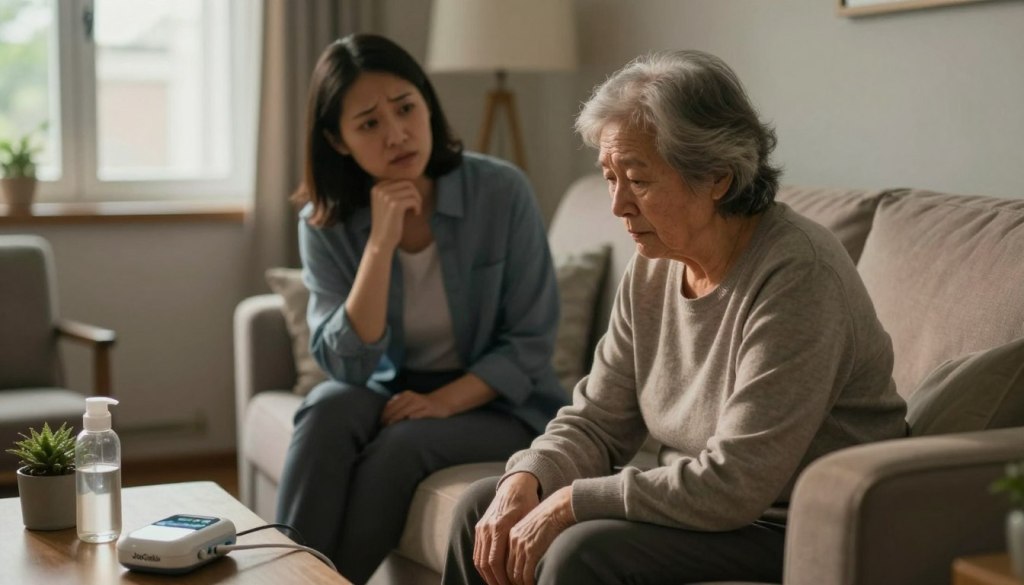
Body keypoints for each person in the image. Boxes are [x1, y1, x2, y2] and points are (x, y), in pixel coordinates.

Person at [443, 50, 908, 585]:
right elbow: (597, 422)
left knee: (581, 551)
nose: (617, 205)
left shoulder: (798, 276)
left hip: (791, 524)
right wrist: (531, 474)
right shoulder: (654, 267)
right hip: (699, 506)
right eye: (609, 177)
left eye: (637, 180)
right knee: (484, 507)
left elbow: (737, 482)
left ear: (717, 178)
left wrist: (572, 500)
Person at [275, 33, 567, 584]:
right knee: (325, 409)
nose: (398, 134)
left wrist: (442, 401)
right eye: (369, 124)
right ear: (338, 142)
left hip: (501, 403)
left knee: (401, 446)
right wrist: (380, 246)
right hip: (392, 386)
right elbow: (349, 367)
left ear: (427, 103)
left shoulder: (501, 192)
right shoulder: (326, 219)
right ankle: (285, 577)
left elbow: (531, 341)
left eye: (406, 108)